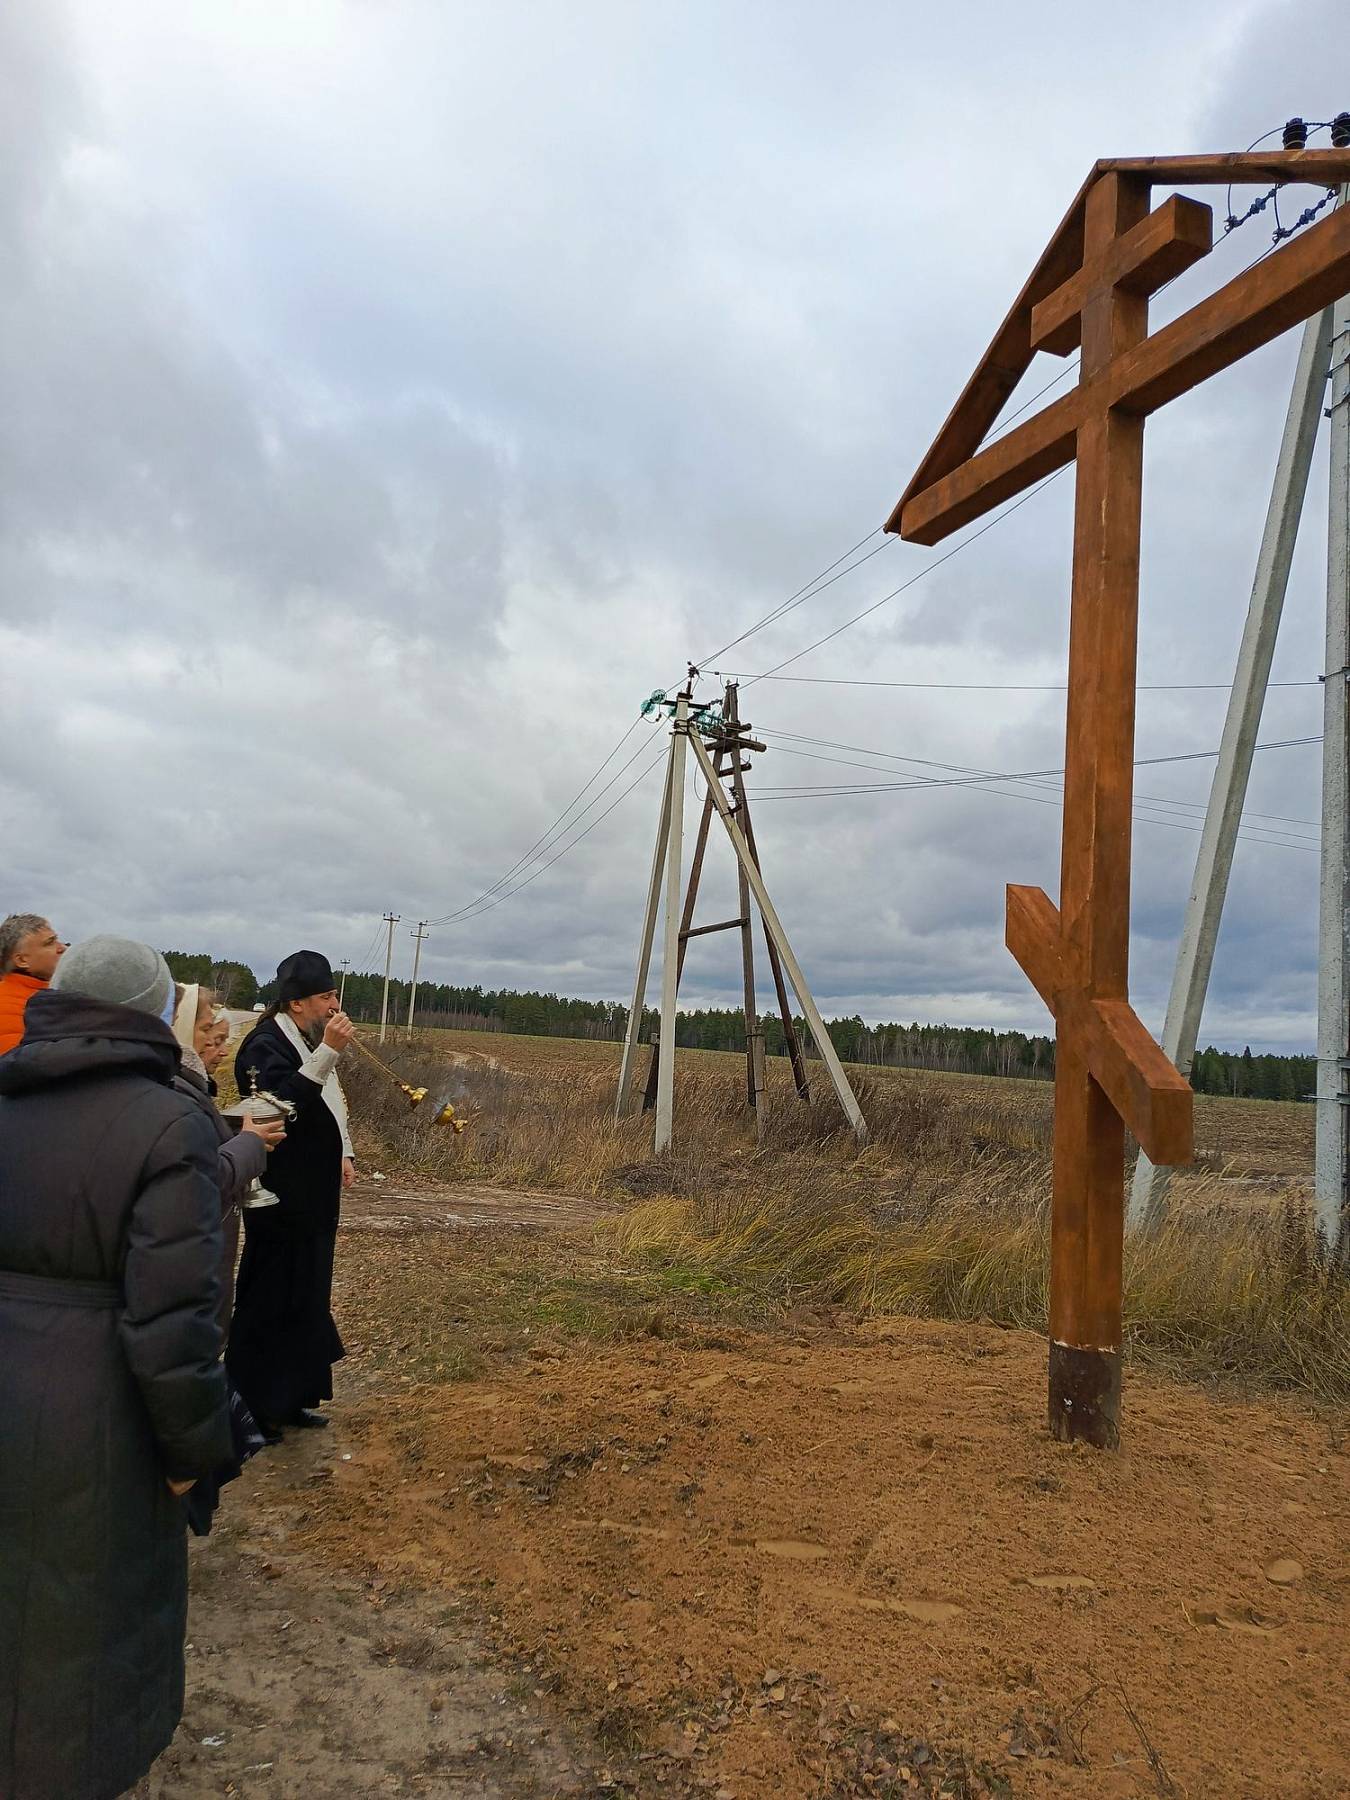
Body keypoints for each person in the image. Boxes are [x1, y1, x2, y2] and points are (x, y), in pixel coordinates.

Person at [0, 936, 232, 1800]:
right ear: (153, 1012)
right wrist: (190, 1457)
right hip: (97, 1423)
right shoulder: (168, 1123)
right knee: (88, 1642)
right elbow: (174, 1325)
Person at [227, 951, 355, 1440]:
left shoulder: (303, 1036)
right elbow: (280, 1108)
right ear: (297, 1003)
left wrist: (344, 1150)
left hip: (313, 1195)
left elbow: (329, 1101)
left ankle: (294, 1398)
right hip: (280, 1195)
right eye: (326, 996)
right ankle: (255, 1405)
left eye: (334, 994)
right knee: (270, 1295)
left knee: (307, 1293)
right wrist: (328, 1052)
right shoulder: (264, 1044)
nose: (334, 1003)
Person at [0, 913, 67, 1054]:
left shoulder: (58, 992)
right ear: (22, 960)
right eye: (49, 943)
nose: (62, 948)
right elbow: (17, 1069)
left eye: (57, 940)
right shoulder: (5, 1007)